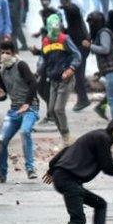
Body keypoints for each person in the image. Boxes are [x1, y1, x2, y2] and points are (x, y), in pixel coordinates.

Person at [0, 41, 40, 183]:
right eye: (2, 52)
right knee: (2, 141)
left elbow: (33, 83)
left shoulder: (21, 65)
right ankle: (2, 174)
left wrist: (27, 103)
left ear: (13, 53)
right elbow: (4, 94)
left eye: (7, 52)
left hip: (30, 108)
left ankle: (30, 168)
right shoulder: (1, 71)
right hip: (14, 110)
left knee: (25, 131)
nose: (4, 55)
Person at [36, 14, 81, 145]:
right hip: (53, 80)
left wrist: (71, 69)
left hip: (65, 79)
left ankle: (66, 135)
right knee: (51, 111)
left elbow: (77, 55)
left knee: (58, 109)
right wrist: (38, 72)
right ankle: (65, 136)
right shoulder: (45, 41)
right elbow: (44, 60)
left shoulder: (65, 39)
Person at [87, 11, 113, 120]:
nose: (90, 26)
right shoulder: (102, 33)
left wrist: (90, 46)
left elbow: (105, 49)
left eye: (92, 23)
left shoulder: (104, 32)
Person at [59, 0, 91, 111]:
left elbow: (73, 9)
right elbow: (72, 28)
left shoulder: (72, 9)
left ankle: (83, 100)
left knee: (77, 74)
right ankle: (82, 98)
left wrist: (65, 6)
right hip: (79, 45)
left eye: (64, 0)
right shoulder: (69, 11)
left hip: (82, 46)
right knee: (78, 74)